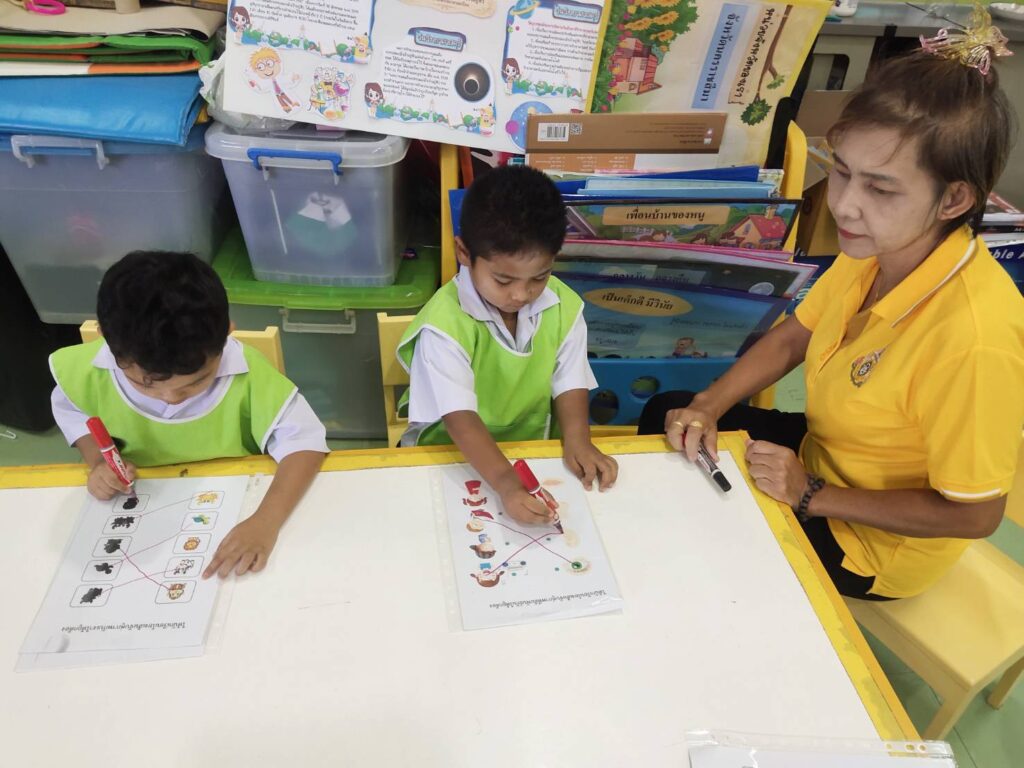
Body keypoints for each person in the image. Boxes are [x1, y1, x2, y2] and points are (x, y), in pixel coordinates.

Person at [639, 23, 1024, 600]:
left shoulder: (974, 339)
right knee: (670, 416)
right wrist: (708, 406)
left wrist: (811, 494)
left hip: (866, 539)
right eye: (842, 171)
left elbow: (976, 514)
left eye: (881, 189)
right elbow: (794, 336)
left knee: (696, 546)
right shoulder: (880, 247)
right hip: (821, 455)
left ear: (954, 198)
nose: (844, 205)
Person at [50, 251, 328, 579]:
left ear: (227, 334)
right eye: (145, 384)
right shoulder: (84, 372)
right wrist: (98, 462)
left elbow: (305, 444)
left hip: (233, 499)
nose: (171, 398)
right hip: (142, 508)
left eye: (196, 382)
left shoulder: (249, 374)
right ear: (111, 347)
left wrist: (265, 521)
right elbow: (73, 410)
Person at [397, 165, 617, 525]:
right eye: (503, 280)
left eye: (539, 277)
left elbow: (569, 380)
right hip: (449, 456)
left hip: (531, 449)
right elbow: (459, 418)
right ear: (464, 252)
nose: (521, 295)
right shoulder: (443, 326)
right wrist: (506, 483)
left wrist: (579, 439)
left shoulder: (564, 306)